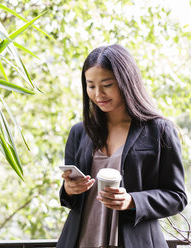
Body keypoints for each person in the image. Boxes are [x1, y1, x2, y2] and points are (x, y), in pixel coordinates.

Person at [56, 44, 188, 248]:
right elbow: (69, 199)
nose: (98, 93)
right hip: (80, 240)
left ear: (126, 81)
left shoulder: (160, 131)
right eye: (91, 86)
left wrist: (132, 201)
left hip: (137, 241)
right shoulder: (79, 132)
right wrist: (69, 189)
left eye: (107, 84)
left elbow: (176, 197)